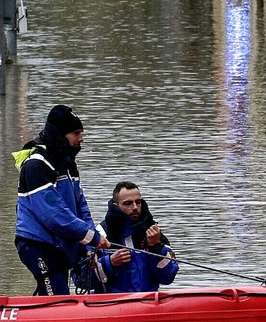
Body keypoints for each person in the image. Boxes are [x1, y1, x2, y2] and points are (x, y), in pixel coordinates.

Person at [13, 105, 108, 295]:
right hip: (37, 244)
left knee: (51, 292)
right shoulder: (36, 165)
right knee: (57, 296)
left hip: (59, 246)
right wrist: (94, 237)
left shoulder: (67, 165)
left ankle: (31, 318)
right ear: (60, 134)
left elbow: (81, 208)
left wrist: (90, 245)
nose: (81, 138)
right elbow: (55, 216)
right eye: (76, 133)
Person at [76, 181, 178, 293]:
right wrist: (109, 263)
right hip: (112, 305)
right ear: (116, 206)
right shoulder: (100, 235)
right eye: (128, 203)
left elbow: (168, 277)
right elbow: (81, 280)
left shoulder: (154, 233)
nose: (135, 207)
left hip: (148, 304)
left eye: (138, 202)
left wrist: (157, 247)